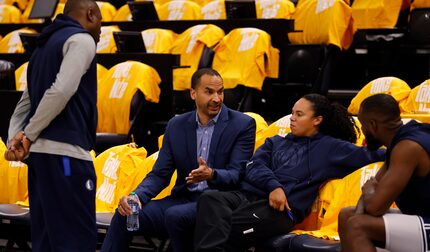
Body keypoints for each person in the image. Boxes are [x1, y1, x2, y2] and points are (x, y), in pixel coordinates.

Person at [194, 93, 386, 252]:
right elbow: (253, 167)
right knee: (210, 198)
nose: (292, 118)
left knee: (220, 228)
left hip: (279, 211)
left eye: (299, 114)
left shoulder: (330, 148)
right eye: (292, 113)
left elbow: (373, 155)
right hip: (248, 196)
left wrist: (407, 142)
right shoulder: (275, 142)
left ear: (317, 120)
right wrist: (274, 186)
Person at [101, 68, 256, 252]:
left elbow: (237, 175)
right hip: (183, 199)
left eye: (220, 91)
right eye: (209, 92)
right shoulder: (176, 125)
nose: (217, 98)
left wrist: (211, 174)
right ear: (193, 93)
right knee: (125, 215)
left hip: (218, 203)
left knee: (176, 216)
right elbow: (160, 174)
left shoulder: (242, 124)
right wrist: (136, 196)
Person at [3, 0, 102, 251]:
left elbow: (27, 99)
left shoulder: (42, 47)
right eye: (100, 21)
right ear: (90, 13)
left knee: (46, 241)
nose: (101, 30)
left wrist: (16, 137)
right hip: (66, 155)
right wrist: (28, 135)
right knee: (76, 241)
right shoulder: (82, 40)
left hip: (40, 159)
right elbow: (61, 91)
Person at [338, 94, 430, 252]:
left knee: (357, 226)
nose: (363, 131)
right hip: (422, 218)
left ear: (373, 125)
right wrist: (368, 197)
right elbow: (370, 199)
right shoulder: (401, 139)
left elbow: (375, 207)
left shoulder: (408, 147)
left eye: (363, 126)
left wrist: (368, 192)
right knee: (346, 215)